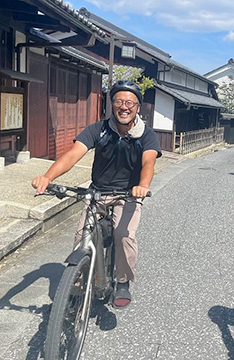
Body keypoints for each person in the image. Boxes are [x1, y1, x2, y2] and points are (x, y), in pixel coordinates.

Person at [32, 80, 162, 309]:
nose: (124, 106)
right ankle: (77, 283)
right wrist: (48, 177)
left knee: (123, 234)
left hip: (128, 195)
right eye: (119, 101)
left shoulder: (147, 135)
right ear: (112, 104)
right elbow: (73, 155)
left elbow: (148, 163)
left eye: (130, 102)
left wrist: (142, 186)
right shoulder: (98, 129)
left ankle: (123, 281)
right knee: (82, 235)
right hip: (97, 193)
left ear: (138, 107)